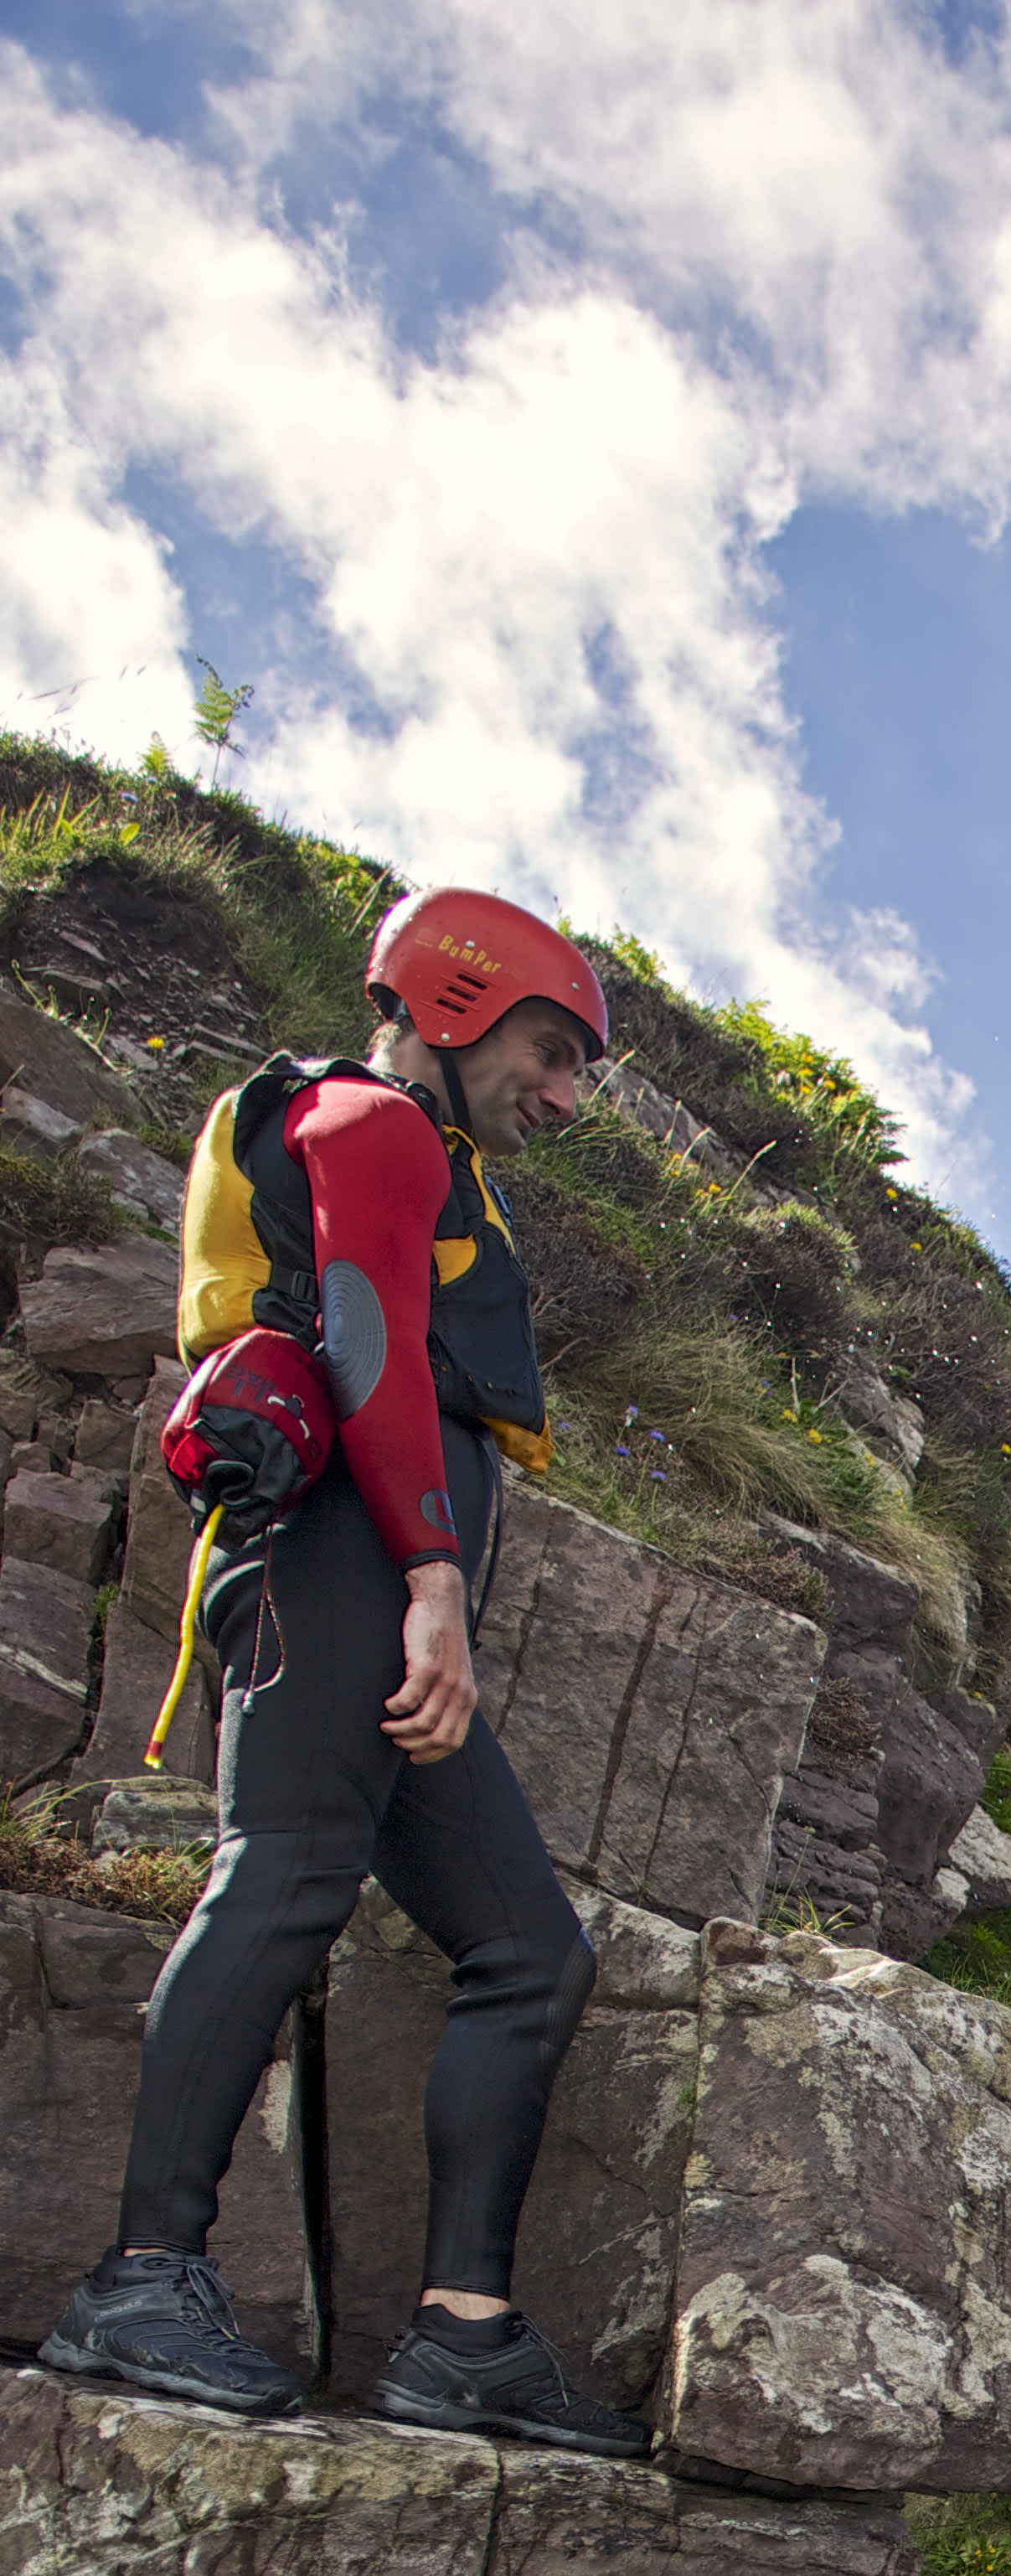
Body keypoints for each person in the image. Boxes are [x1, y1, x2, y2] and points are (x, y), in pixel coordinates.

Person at [40, 885, 646, 2451]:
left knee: (531, 1948)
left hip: (375, 1573)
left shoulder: (428, 1153)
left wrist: (428, 1586)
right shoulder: (371, 1124)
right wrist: (434, 1582)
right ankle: (143, 2278)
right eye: (549, 1049)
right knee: (287, 1872)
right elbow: (368, 1343)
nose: (565, 1095)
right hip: (336, 1560)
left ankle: (461, 2336)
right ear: (451, 1000)